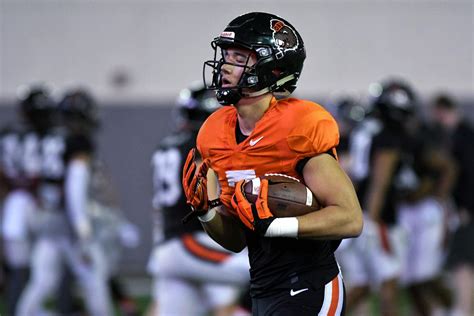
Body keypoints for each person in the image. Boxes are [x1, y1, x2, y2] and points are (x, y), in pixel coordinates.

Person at [182, 12, 363, 315]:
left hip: (311, 282)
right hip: (263, 286)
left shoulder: (298, 126)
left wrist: (276, 225)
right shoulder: (215, 134)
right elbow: (237, 239)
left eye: (239, 58)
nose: (225, 66)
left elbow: (350, 219)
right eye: (226, 55)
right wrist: (207, 212)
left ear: (271, 66)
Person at [147, 83, 250, 316]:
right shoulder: (202, 145)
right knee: (263, 269)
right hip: (189, 241)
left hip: (173, 242)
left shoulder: (168, 145)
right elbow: (209, 193)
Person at [16, 88, 113, 316]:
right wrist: (82, 227)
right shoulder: (76, 141)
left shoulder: (48, 137)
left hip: (46, 218)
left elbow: (37, 179)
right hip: (69, 223)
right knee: (94, 281)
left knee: (42, 283)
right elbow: (75, 187)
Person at [0, 85, 52, 315]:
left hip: (14, 205)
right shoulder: (46, 136)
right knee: (46, 263)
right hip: (38, 204)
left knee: (19, 268)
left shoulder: (7, 134)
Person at [431, 94, 474, 316]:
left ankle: (464, 309)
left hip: (466, 210)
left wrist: (465, 207)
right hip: (462, 208)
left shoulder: (463, 137)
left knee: (462, 262)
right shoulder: (460, 134)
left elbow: (467, 174)